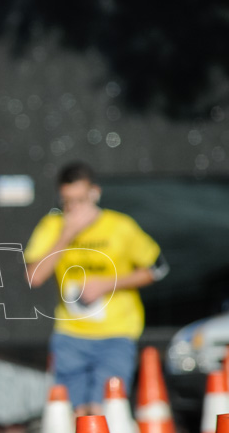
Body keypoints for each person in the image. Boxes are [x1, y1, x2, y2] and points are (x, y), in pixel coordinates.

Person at [25, 162, 166, 416]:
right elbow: (34, 276)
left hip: (116, 332)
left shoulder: (120, 226)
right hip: (71, 334)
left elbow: (157, 268)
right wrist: (67, 234)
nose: (75, 208)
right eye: (68, 202)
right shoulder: (53, 226)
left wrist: (108, 283)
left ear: (95, 193)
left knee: (105, 410)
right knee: (73, 414)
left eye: (81, 200)